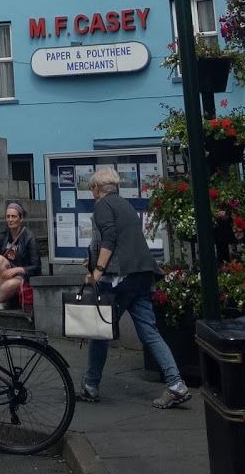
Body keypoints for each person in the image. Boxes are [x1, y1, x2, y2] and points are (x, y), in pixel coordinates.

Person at [79, 166, 191, 410]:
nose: (92, 193)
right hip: (142, 274)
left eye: (92, 188)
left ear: (98, 188)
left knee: (100, 331)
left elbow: (109, 238)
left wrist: (97, 271)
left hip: (121, 278)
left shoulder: (103, 206)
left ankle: (90, 385)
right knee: (149, 332)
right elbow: (122, 240)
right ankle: (175, 384)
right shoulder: (125, 205)